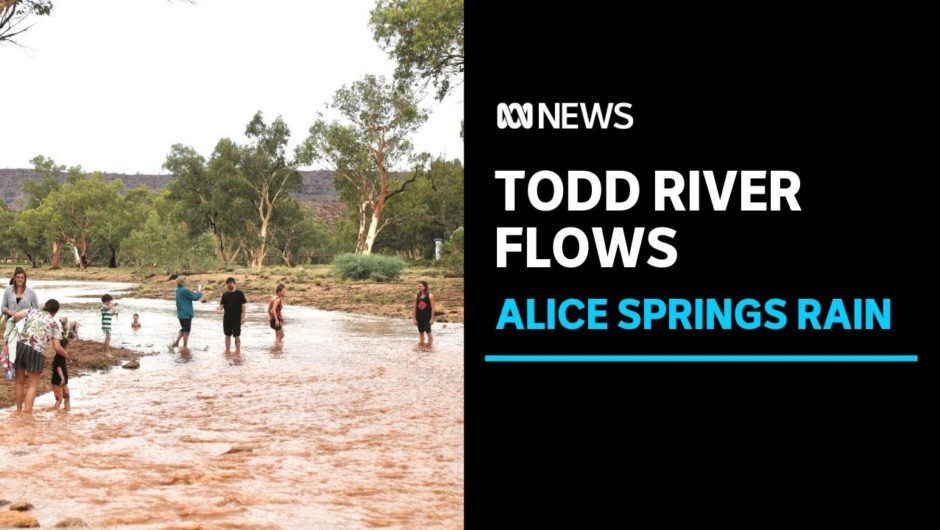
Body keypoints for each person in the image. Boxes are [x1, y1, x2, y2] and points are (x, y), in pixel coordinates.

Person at [12, 299, 69, 413]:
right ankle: (27, 414)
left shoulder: (32, 311)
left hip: (20, 346)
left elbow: (16, 316)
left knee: (19, 382)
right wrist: (66, 354)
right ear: (55, 312)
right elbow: (57, 348)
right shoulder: (54, 324)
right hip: (36, 351)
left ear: (45, 306)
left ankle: (18, 411)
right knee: (32, 385)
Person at [2, 266, 40, 343]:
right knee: (9, 343)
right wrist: (10, 312)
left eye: (22, 277)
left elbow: (36, 310)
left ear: (25, 279)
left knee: (22, 345)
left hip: (25, 323)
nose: (20, 279)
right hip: (11, 322)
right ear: (14, 278)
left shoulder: (30, 292)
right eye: (18, 277)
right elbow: (3, 307)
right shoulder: (8, 290)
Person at [171, 276, 203, 351]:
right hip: (186, 313)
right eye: (186, 280)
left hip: (180, 313)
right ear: (183, 282)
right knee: (187, 330)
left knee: (183, 329)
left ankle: (176, 342)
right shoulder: (185, 290)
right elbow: (195, 298)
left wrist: (195, 292)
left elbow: (189, 296)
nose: (188, 282)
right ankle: (185, 346)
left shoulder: (178, 290)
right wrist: (199, 291)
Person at [217, 277, 247, 354]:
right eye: (228, 283)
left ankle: (238, 352)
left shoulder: (240, 293)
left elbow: (243, 305)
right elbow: (222, 304)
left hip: (237, 318)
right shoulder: (225, 294)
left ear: (234, 284)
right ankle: (227, 351)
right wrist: (219, 309)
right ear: (226, 285)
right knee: (227, 335)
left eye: (231, 283)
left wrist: (243, 317)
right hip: (227, 318)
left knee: (237, 335)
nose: (229, 285)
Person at [413, 280, 435, 345]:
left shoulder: (430, 296)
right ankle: (422, 346)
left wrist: (432, 318)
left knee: (428, 332)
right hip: (419, 317)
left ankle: (430, 345)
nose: (419, 287)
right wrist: (414, 318)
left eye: (420, 286)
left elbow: (433, 308)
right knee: (421, 332)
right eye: (418, 286)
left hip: (427, 317)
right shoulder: (416, 296)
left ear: (425, 287)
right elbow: (414, 308)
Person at [52, 337, 70, 411]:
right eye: (68, 346)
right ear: (65, 347)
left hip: (63, 380)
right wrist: (62, 378)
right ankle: (57, 413)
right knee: (59, 399)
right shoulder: (59, 356)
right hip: (57, 380)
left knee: (67, 395)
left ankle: (67, 410)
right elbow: (58, 368)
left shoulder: (62, 356)